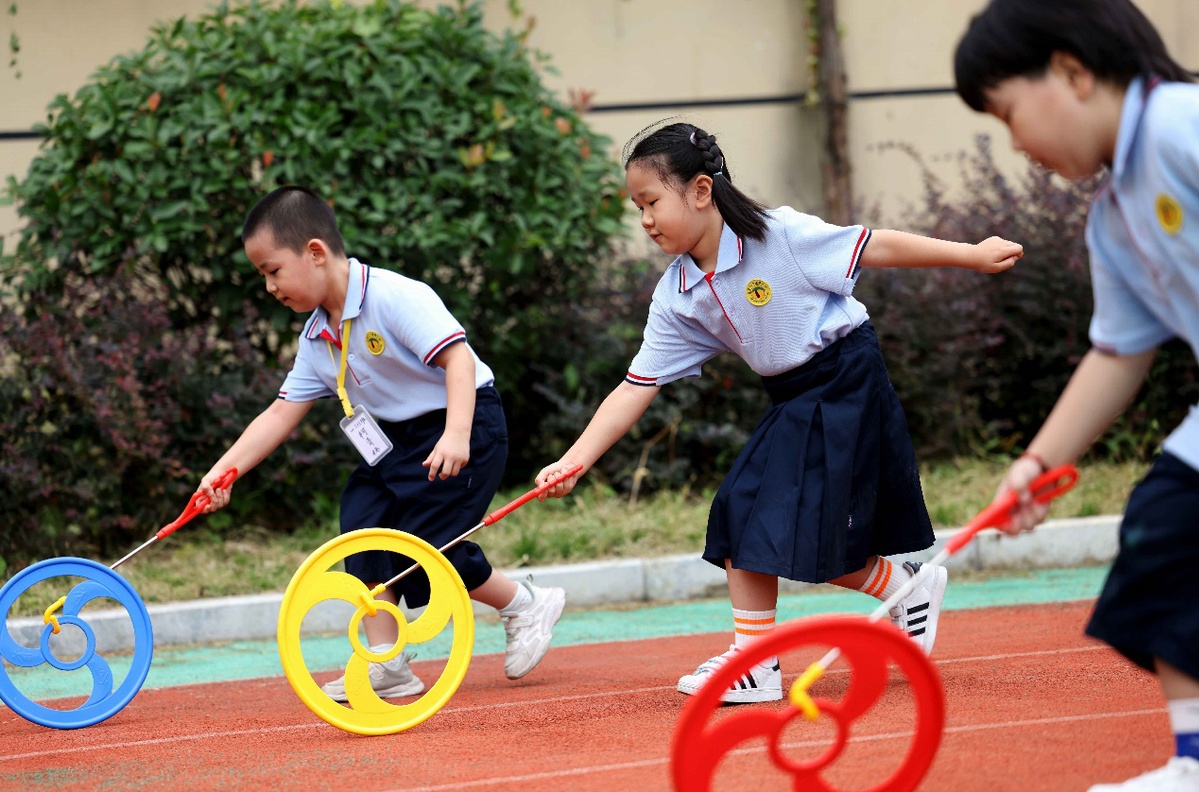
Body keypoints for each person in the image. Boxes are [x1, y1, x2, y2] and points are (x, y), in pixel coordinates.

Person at [534, 121, 1023, 703]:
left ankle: (758, 662)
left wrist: (970, 255)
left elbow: (875, 245)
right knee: (758, 522)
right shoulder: (679, 293)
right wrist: (576, 460)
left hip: (846, 379)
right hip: (793, 396)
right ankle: (894, 593)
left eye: (651, 202)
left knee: (753, 512)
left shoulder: (781, 236)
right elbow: (637, 385)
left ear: (699, 192)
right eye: (636, 207)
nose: (644, 220)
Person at [954, 2, 1199, 790]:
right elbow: (1119, 352)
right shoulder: (1116, 216)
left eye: (1007, 113)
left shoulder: (1177, 125)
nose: (1016, 144)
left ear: (1070, 71)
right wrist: (1037, 462)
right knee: (1164, 534)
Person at [196, 185, 565, 700]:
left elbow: (458, 359)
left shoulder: (393, 296)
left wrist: (457, 434)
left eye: (272, 270)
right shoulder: (316, 336)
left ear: (316, 253)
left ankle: (524, 603)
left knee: (431, 547)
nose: (269, 287)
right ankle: (387, 662)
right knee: (362, 526)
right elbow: (280, 412)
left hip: (463, 424)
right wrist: (224, 471)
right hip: (394, 442)